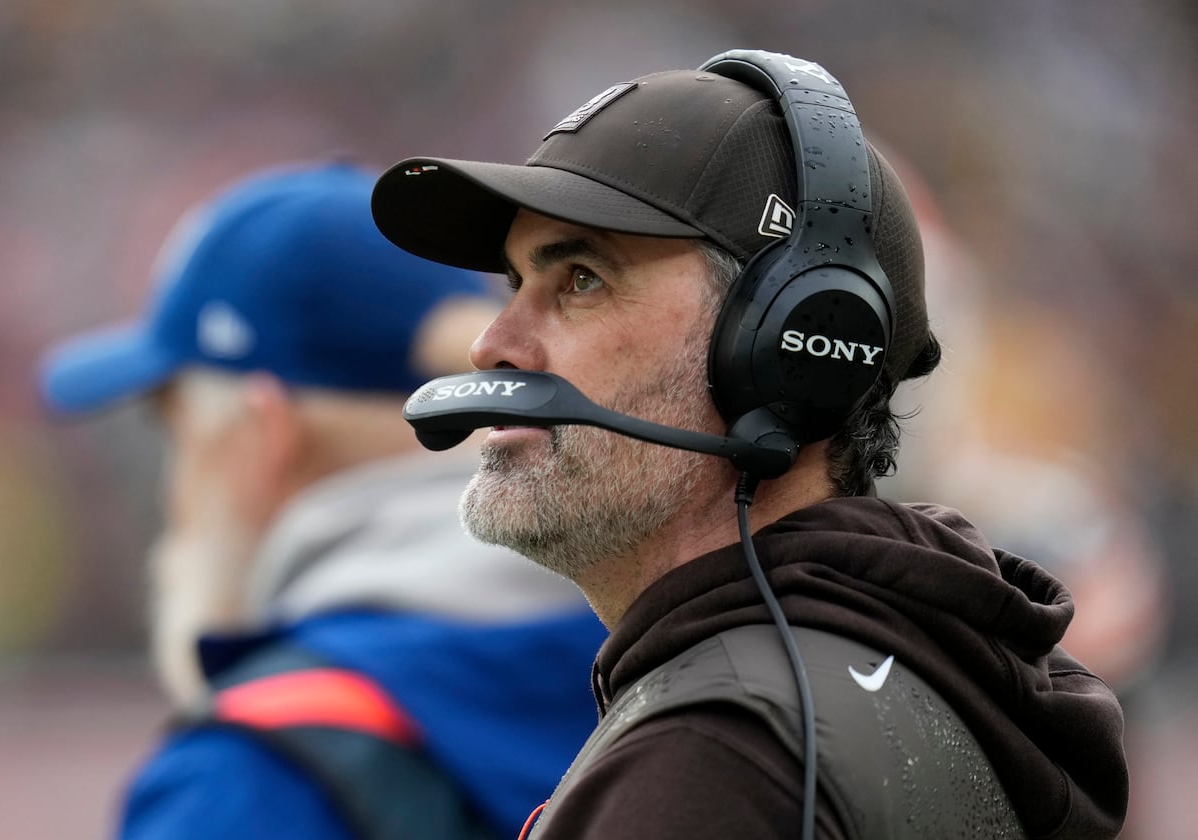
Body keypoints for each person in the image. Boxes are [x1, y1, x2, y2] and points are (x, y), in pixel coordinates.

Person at [368, 50, 1129, 839]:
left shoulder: (712, 760)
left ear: (783, 351)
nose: (493, 345)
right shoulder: (910, 674)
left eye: (582, 279)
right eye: (513, 286)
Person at [36, 161, 607, 840]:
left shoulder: (248, 779)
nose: (175, 487)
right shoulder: (672, 649)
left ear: (264, 434)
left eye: (177, 431)